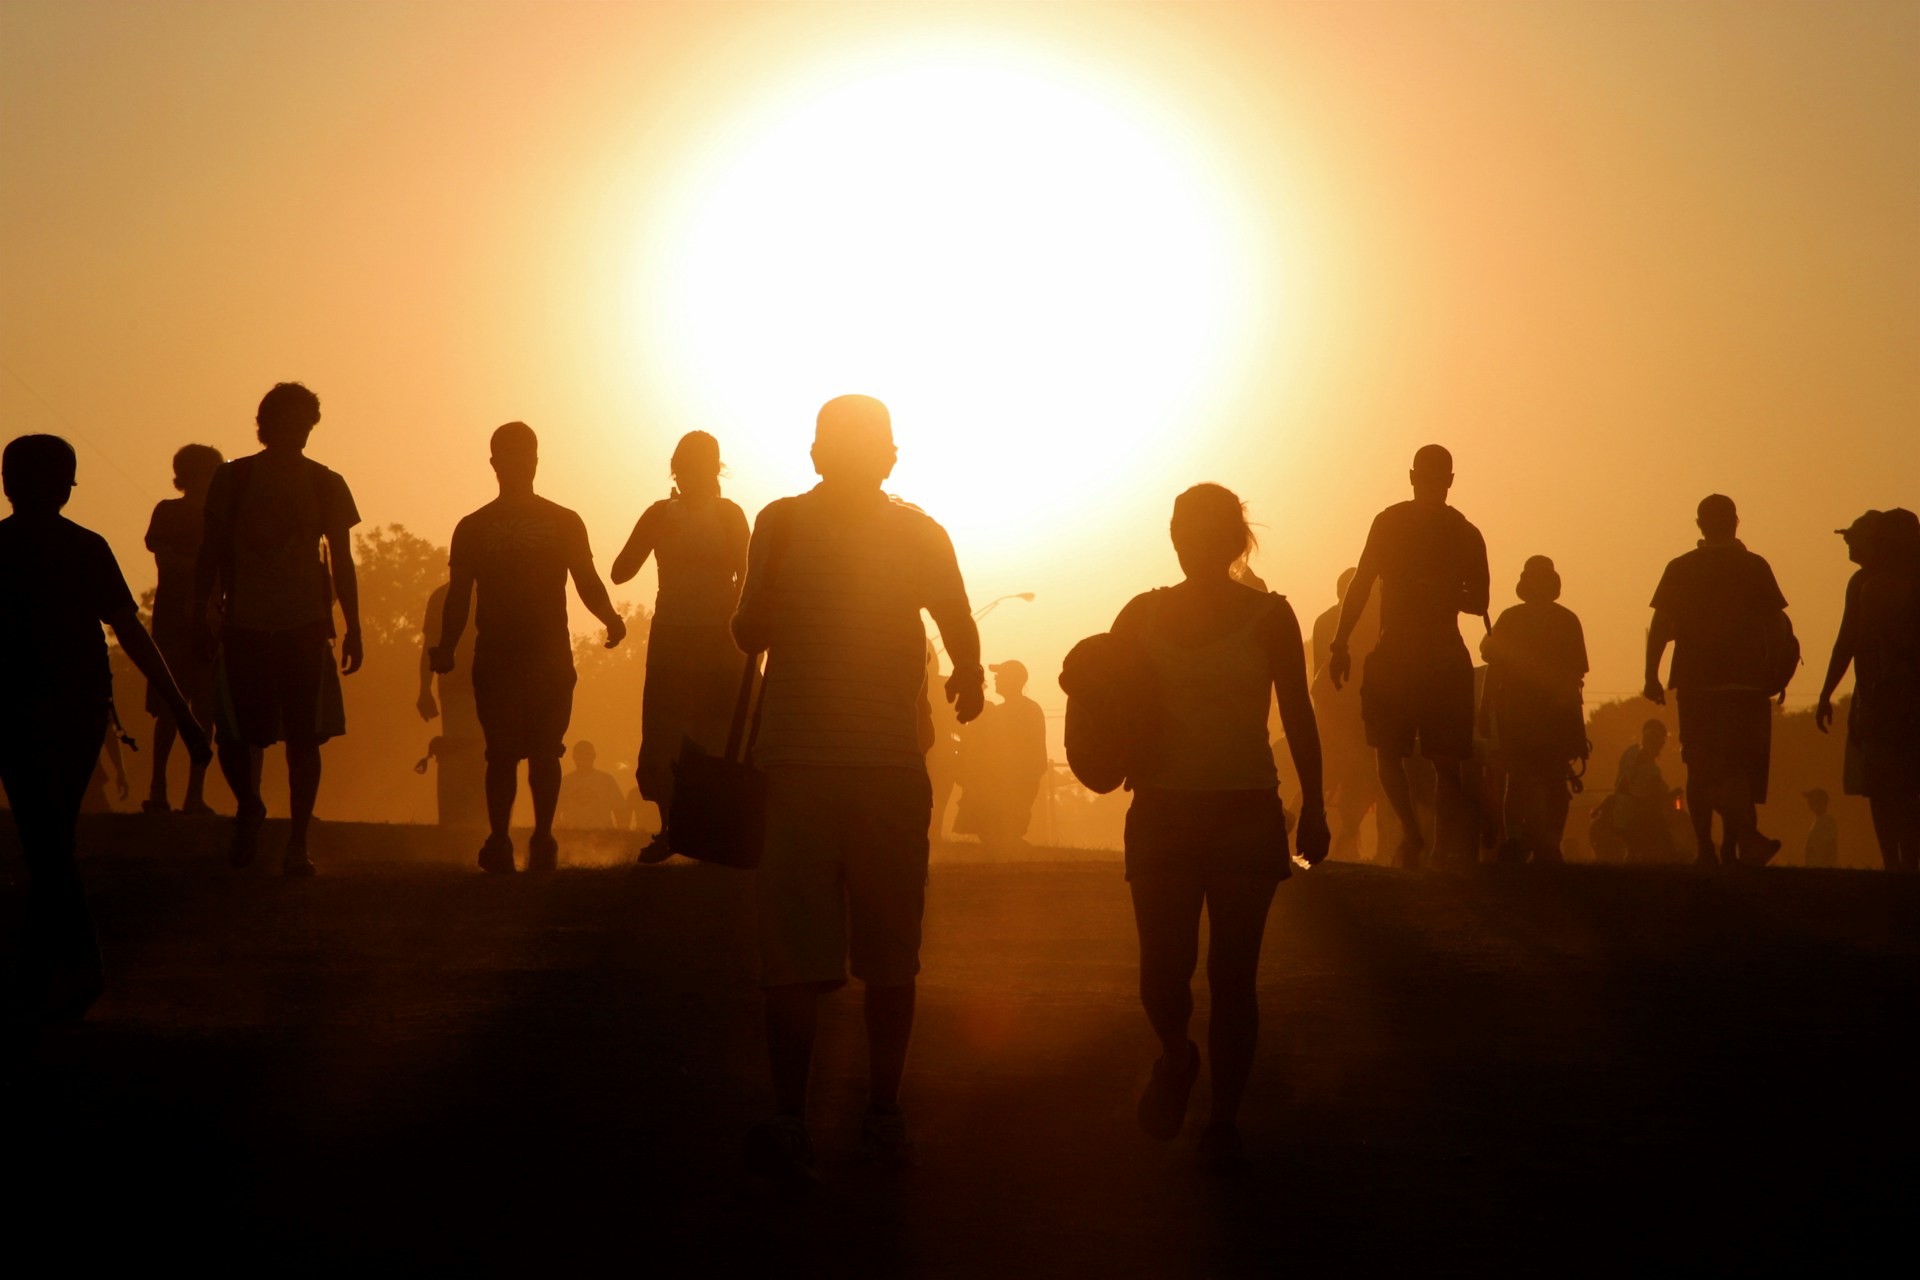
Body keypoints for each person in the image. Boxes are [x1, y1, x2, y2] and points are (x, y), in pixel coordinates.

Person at [730, 394, 984, 1187]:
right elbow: (959, 624)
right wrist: (968, 679)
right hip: (883, 767)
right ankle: (882, 1116)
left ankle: (791, 1120)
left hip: (800, 764)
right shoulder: (918, 532)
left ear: (815, 454)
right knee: (889, 957)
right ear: (891, 457)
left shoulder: (779, 523)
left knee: (796, 959)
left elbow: (746, 633)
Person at [1112, 484, 1328, 1173]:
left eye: (1207, 532)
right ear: (1174, 539)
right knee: (1162, 976)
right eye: (1185, 530)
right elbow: (1102, 706)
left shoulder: (1269, 617)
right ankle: (1178, 1056)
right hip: (1162, 813)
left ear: (1234, 542)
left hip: (1242, 810)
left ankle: (1224, 1122)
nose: (1193, 543)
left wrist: (1316, 804)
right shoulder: (1139, 615)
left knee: (1233, 977)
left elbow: (1298, 713)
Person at [1, 434, 210, 1031]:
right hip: (75, 708)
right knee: (51, 837)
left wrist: (183, 713)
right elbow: (132, 634)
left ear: (7, 484)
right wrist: (184, 711)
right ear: (68, 487)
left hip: (21, 709)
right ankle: (62, 968)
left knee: (45, 839)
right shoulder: (86, 547)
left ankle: (55, 971)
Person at [430, 422, 627, 874]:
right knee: (501, 752)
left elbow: (586, 581)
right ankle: (501, 839)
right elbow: (459, 595)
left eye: (524, 455)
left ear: (535, 461)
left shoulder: (562, 522)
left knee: (544, 750)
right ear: (495, 463)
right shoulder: (473, 528)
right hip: (498, 654)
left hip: (547, 654)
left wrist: (611, 618)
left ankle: (540, 838)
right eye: (509, 455)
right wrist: (446, 647)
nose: (517, 463)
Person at [195, 383, 362, 876]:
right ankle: (250, 805)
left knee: (304, 737)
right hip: (244, 621)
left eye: (306, 422)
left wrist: (354, 626)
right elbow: (210, 549)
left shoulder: (327, 482)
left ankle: (297, 842)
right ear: (266, 424)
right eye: (288, 420)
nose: (298, 430)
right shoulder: (233, 478)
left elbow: (344, 560)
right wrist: (197, 609)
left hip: (304, 623)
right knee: (236, 734)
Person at [1327, 445, 1489, 867]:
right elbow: (1479, 600)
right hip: (1424, 653)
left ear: (1413, 475)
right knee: (1429, 758)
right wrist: (1339, 642)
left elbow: (1362, 583)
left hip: (1408, 651)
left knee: (1405, 754)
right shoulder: (1460, 532)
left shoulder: (1409, 525)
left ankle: (1423, 840)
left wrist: (1341, 643)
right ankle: (1424, 841)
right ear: (1445, 479)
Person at [611, 431, 749, 863]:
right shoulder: (658, 514)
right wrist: (652, 532)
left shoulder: (730, 515)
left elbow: (748, 575)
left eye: (703, 467)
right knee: (666, 733)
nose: (695, 476)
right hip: (671, 636)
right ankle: (670, 829)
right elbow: (620, 572)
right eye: (687, 467)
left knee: (718, 733)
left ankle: (720, 831)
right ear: (676, 470)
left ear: (715, 470)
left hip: (720, 638)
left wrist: (740, 626)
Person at [1643, 494, 1791, 868]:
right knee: (1737, 769)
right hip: (1745, 683)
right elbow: (1777, 628)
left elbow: (1660, 627)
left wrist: (1651, 675)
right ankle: (1736, 845)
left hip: (1696, 682)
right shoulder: (1754, 567)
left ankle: (1707, 848)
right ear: (1736, 522)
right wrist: (1777, 671)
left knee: (1700, 768)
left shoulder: (1680, 567)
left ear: (1699, 525)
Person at [1815, 510, 1920, 872]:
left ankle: (1898, 864)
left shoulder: (1871, 584)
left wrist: (1828, 692)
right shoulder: (1867, 582)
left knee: (1886, 784)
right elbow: (1849, 642)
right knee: (1899, 785)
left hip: (1883, 696)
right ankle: (1902, 865)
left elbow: (1850, 641)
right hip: (1883, 694)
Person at [1479, 556, 1588, 864]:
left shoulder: (1562, 620)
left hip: (1548, 714)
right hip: (1520, 714)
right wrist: (1486, 707)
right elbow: (1494, 666)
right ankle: (1517, 838)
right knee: (1520, 779)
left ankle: (1549, 842)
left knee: (1552, 780)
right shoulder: (1527, 619)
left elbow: (1574, 675)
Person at [142, 443, 223, 815]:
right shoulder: (170, 511)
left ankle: (195, 794)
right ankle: (158, 789)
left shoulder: (222, 516)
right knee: (171, 707)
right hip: (175, 619)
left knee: (205, 710)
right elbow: (167, 561)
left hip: (210, 622)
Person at [1310, 568, 1381, 860]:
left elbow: (1317, 672)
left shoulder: (1325, 620)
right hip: (1350, 711)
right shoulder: (1372, 621)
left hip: (1337, 710)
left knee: (1329, 778)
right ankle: (1344, 838)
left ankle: (1343, 838)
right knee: (1353, 776)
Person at [954, 659, 1049, 849]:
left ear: (1013, 680)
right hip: (1013, 779)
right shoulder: (1024, 709)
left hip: (1013, 780)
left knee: (1004, 832)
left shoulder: (1012, 711)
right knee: (1000, 833)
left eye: (1000, 676)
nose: (996, 679)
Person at [417, 580, 485, 827]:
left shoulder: (442, 594)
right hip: (459, 684)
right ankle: (462, 819)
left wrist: (425, 689)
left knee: (469, 751)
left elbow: (430, 646)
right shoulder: (442, 596)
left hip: (473, 684)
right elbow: (431, 646)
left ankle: (468, 819)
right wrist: (424, 689)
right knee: (465, 751)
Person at [1610, 719, 1682, 862]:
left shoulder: (1630, 752)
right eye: (1661, 743)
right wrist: (1673, 794)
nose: (1661, 747)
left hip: (1619, 812)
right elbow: (1652, 797)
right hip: (1635, 816)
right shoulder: (1651, 771)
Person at [555, 740, 628, 829]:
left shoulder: (606, 780)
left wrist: (620, 835)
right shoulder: (565, 782)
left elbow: (620, 811)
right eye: (580, 754)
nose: (583, 757)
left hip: (603, 835)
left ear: (594, 756)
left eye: (587, 753)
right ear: (574, 757)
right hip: (572, 835)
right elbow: (555, 812)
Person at [1802, 787, 1840, 869]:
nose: (1809, 803)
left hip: (1822, 870)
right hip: (1816, 869)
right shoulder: (1818, 821)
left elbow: (1830, 847)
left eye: (1812, 800)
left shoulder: (1827, 822)